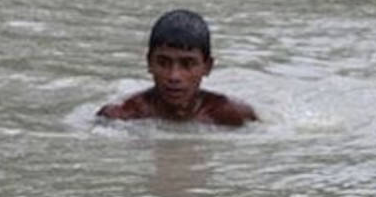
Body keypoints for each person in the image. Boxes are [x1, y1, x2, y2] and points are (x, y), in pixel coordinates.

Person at [97, 9, 257, 127]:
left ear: (207, 67)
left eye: (187, 64)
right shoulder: (122, 116)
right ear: (149, 63)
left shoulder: (231, 115)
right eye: (163, 63)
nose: (174, 76)